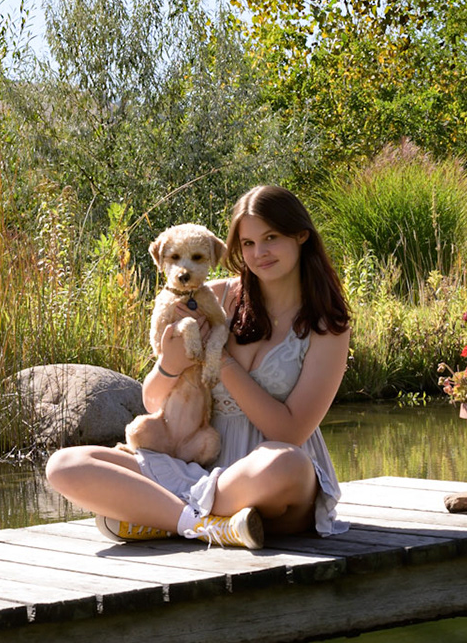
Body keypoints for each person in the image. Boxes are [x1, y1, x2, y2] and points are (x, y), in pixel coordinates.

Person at [45, 184, 352, 549]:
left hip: (263, 480)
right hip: (192, 464)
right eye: (248, 243)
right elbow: (153, 402)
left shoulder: (327, 325)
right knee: (65, 464)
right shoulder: (212, 296)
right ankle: (203, 525)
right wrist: (170, 364)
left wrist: (220, 359)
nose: (259, 253)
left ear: (301, 235)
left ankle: (158, 514)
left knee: (287, 463)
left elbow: (288, 433)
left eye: (271, 238)